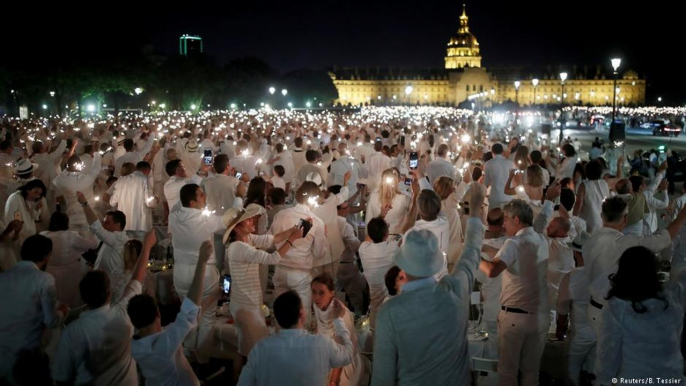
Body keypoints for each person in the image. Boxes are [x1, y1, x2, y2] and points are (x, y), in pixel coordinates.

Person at [372, 184, 486, 385]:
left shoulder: (390, 313)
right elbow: (471, 251)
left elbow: (382, 378)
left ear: (403, 265)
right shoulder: (456, 290)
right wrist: (475, 210)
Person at [53, 230, 156, 386]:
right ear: (109, 293)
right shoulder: (123, 314)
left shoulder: (72, 331)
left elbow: (62, 377)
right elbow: (137, 278)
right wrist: (147, 247)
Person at [479, 198, 551, 386]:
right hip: (539, 315)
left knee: (508, 372)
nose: (503, 224)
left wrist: (474, 255)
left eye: (506, 220)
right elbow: (516, 254)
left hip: (515, 319)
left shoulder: (513, 242)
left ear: (516, 220)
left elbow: (492, 271)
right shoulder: (541, 239)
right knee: (530, 372)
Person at [127, 241, 213, 386]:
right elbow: (189, 313)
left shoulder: (135, 345)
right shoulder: (164, 344)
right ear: (158, 315)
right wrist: (202, 262)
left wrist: (214, 296)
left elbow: (188, 318)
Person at [596, 246, 686, 385]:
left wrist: (604, 381)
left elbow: (608, 353)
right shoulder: (670, 299)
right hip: (672, 377)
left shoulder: (617, 307)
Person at [223, 204, 303, 356]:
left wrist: (293, 230)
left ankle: (241, 379)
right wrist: (292, 240)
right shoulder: (239, 247)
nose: (252, 220)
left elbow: (272, 239)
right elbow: (273, 258)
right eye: (247, 220)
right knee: (256, 352)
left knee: (243, 350)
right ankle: (252, 378)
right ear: (237, 228)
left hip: (245, 304)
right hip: (246, 307)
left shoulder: (247, 239)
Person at [236, 291, 353, 386]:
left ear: (277, 318)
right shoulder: (322, 344)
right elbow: (348, 354)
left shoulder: (260, 349)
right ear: (302, 314)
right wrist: (338, 320)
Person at [169, 183, 224, 363]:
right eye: (201, 195)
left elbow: (179, 203)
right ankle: (202, 360)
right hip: (204, 274)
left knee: (188, 314)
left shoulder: (174, 216)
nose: (205, 196)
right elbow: (228, 220)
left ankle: (187, 357)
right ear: (192, 202)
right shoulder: (205, 219)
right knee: (207, 316)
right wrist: (239, 200)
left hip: (180, 274)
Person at [0, 234, 66, 383]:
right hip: (27, 356)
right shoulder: (44, 279)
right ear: (47, 256)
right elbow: (51, 321)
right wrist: (63, 311)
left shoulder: (3, 277)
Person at [269, 181, 328, 325]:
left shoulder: (281, 215)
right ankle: (301, 343)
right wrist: (323, 237)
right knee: (303, 315)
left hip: (280, 269)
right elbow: (320, 253)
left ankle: (279, 341)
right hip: (300, 272)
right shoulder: (317, 222)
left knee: (280, 313)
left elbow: (270, 239)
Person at [556, 231, 595, 386]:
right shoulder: (603, 274)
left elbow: (563, 309)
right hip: (601, 333)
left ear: (576, 253)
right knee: (594, 375)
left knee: (571, 373)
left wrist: (561, 330)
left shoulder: (571, 277)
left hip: (580, 335)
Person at [311, 274, 362, 386]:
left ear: (332, 293)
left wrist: (333, 382)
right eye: (314, 292)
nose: (316, 297)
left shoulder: (341, 315)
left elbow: (342, 354)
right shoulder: (317, 306)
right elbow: (318, 329)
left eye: (321, 293)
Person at [41, 211, 99, 308]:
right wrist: (96, 233)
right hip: (71, 274)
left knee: (54, 300)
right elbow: (93, 245)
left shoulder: (43, 235)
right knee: (72, 300)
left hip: (50, 272)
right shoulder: (70, 236)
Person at [76, 191, 130, 283]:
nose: (103, 225)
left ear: (117, 225)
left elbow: (96, 228)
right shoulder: (112, 237)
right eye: (103, 222)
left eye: (107, 222)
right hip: (103, 280)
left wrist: (84, 204)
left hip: (112, 284)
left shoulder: (119, 238)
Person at [52, 152, 102, 237]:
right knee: (89, 244)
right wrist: (96, 153)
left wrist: (66, 170)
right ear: (81, 165)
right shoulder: (88, 178)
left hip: (72, 218)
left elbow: (55, 181)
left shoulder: (62, 181)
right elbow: (96, 167)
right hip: (89, 217)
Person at [110, 161, 157, 233]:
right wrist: (155, 200)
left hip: (124, 223)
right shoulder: (143, 179)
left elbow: (112, 202)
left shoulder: (120, 180)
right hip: (140, 223)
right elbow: (149, 203)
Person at [364, 168, 411, 234]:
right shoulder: (374, 197)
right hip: (379, 238)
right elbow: (368, 221)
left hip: (396, 238)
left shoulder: (404, 198)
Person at [573, 159, 612, 234]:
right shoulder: (604, 183)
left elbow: (578, 203)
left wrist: (574, 218)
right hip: (604, 219)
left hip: (589, 219)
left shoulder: (584, 185)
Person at [4, 179, 48, 244]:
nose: (37, 196)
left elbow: (32, 217)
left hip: (27, 239)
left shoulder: (28, 200)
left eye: (39, 194)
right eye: (35, 192)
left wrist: (36, 209)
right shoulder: (15, 198)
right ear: (28, 189)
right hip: (17, 240)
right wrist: (15, 236)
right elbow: (10, 221)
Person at [484, 143, 514, 210]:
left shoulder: (488, 164)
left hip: (495, 197)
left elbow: (486, 182)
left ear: (492, 152)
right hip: (508, 197)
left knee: (493, 219)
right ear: (502, 152)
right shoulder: (510, 163)